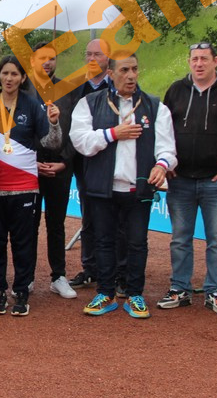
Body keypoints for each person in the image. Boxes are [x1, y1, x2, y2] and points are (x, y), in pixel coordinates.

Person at [71, 55, 177, 319]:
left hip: (138, 189)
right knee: (103, 241)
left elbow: (167, 147)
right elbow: (79, 141)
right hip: (102, 188)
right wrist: (112, 134)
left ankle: (134, 295)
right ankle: (105, 293)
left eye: (135, 69)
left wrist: (161, 165)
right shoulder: (90, 103)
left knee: (137, 243)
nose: (131, 75)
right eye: (124, 70)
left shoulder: (155, 106)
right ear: (110, 73)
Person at [159, 41, 217, 315]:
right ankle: (180, 288)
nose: (199, 64)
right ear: (189, 62)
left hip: (216, 181)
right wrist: (166, 162)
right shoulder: (175, 90)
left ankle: (216, 291)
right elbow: (163, 131)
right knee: (180, 238)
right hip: (181, 178)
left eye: (204, 59)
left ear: (215, 61)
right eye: (194, 59)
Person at [0, 56, 61, 316]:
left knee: (23, 242)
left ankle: (22, 292)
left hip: (25, 187)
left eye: (14, 74)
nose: (9, 78)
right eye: (5, 73)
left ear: (23, 78)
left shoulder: (33, 104)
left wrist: (55, 122)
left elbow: (51, 143)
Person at [26, 40, 78, 300]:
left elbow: (77, 130)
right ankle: (26, 278)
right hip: (30, 168)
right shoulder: (23, 89)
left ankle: (58, 276)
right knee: (29, 225)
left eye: (52, 58)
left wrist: (65, 161)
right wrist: (30, 162)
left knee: (56, 224)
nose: (47, 62)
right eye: (42, 57)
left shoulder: (69, 89)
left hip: (60, 166)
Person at [68, 38, 112, 289]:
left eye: (97, 54)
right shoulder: (75, 87)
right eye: (88, 54)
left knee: (114, 218)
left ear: (108, 59)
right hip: (83, 162)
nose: (92, 58)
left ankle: (115, 269)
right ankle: (90, 267)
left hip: (111, 161)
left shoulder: (117, 86)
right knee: (88, 216)